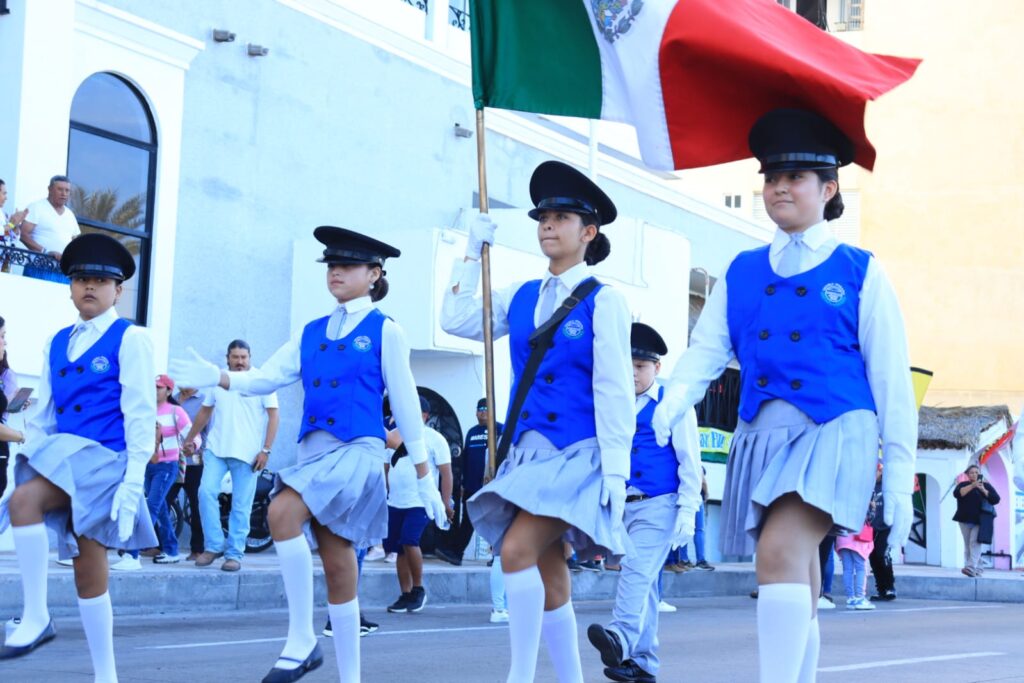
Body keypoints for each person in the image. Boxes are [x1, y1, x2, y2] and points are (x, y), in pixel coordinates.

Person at [652, 108, 918, 683]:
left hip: (835, 430)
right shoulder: (743, 269)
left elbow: (893, 382)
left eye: (795, 177)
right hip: (762, 434)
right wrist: (671, 402)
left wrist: (899, 476)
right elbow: (707, 349)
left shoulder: (859, 270)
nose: (779, 188)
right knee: (800, 570)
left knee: (776, 554)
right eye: (771, 177)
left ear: (829, 188)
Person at [171, 226, 446, 683]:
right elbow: (266, 379)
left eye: (348, 265)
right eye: (332, 265)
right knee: (340, 568)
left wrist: (424, 476)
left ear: (374, 274)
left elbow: (406, 404)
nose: (336, 272)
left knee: (280, 511)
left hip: (358, 450)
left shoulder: (386, 329)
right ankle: (350, 677)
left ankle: (301, 641)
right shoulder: (310, 331)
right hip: (314, 453)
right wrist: (218, 377)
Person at [442, 160, 634, 682]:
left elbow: (615, 389)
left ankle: (519, 677)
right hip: (526, 453)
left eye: (562, 216)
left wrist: (617, 471)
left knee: (515, 550)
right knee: (549, 574)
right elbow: (455, 321)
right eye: (543, 216)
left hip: (578, 454)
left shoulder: (605, 299)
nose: (548, 225)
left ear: (588, 232)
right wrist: (470, 251)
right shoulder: (522, 294)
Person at [0, 234, 157, 680]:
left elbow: (141, 413)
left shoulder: (131, 339)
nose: (89, 286)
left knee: (74, 556)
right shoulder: (55, 341)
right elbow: (45, 416)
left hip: (105, 462)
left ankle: (67, 643)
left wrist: (133, 481)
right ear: (69, 287)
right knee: (38, 516)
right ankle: (67, 642)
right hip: (66, 461)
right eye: (80, 279)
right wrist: (23, 467)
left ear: (118, 290)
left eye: (99, 280)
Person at [586, 322, 702, 683]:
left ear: (657, 368)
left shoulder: (673, 404)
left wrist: (687, 511)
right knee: (647, 583)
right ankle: (645, 662)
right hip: (623, 506)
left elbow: (690, 462)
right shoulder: (612, 401)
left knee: (635, 572)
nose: (633, 373)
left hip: (660, 504)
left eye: (640, 366)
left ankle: (619, 636)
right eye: (629, 365)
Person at [181, 340, 279, 573]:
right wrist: (190, 438)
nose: (239, 361)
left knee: (241, 505)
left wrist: (266, 450)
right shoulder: (219, 380)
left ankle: (234, 553)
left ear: (250, 357)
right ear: (227, 358)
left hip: (248, 454)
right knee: (205, 493)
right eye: (235, 357)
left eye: (243, 357)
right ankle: (213, 546)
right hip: (216, 449)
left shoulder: (261, 380)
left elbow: (274, 417)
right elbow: (205, 411)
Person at [383, 395, 453, 613]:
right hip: (395, 501)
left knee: (409, 540)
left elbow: (446, 473)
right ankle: (405, 594)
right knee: (397, 548)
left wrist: (444, 502)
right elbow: (386, 468)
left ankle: (418, 589)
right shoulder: (392, 437)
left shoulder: (435, 439)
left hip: (420, 501)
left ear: (424, 415)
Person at [437, 398, 504, 566]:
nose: (482, 412)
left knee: (495, 520)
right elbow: (466, 458)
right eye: (480, 408)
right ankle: (456, 553)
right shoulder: (472, 432)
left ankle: (498, 556)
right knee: (468, 520)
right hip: (471, 486)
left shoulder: (500, 429)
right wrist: (461, 483)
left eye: (486, 408)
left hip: (493, 485)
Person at [170, 385, 208, 561]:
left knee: (195, 505)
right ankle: (159, 545)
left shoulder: (204, 400)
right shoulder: (172, 398)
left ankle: (198, 549)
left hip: (194, 461)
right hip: (171, 461)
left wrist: (198, 449)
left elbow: (210, 431)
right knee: (164, 501)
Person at [19, 175, 80, 283]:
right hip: (38, 267)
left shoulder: (70, 214)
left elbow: (76, 242)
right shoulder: (37, 207)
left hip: (63, 272)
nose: (64, 193)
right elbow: (23, 235)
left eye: (67, 190)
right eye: (60, 189)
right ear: (50, 189)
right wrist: (45, 251)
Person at [953, 464, 1001, 577]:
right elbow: (958, 494)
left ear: (980, 474)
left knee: (974, 542)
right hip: (964, 519)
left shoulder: (986, 486)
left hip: (980, 520)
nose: (974, 474)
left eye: (976, 472)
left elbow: (996, 499)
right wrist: (973, 485)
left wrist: (983, 490)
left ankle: (970, 567)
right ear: (967, 475)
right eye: (971, 473)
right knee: (968, 545)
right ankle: (978, 568)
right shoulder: (963, 484)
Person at [835, 514, 876, 610]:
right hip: (858, 537)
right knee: (860, 568)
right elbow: (870, 517)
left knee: (847, 569)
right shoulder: (861, 499)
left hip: (842, 537)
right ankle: (860, 597)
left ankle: (850, 598)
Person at [868, 465, 896, 601]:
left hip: (886, 527)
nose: (876, 473)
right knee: (873, 558)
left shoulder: (889, 486)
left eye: (878, 470)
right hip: (869, 528)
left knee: (882, 555)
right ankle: (881, 590)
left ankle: (890, 587)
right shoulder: (866, 486)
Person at [1, 179, 29, 250]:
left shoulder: (3, 215)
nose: (6, 198)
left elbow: (5, 235)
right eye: (4, 193)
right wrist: (11, 224)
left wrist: (15, 226)